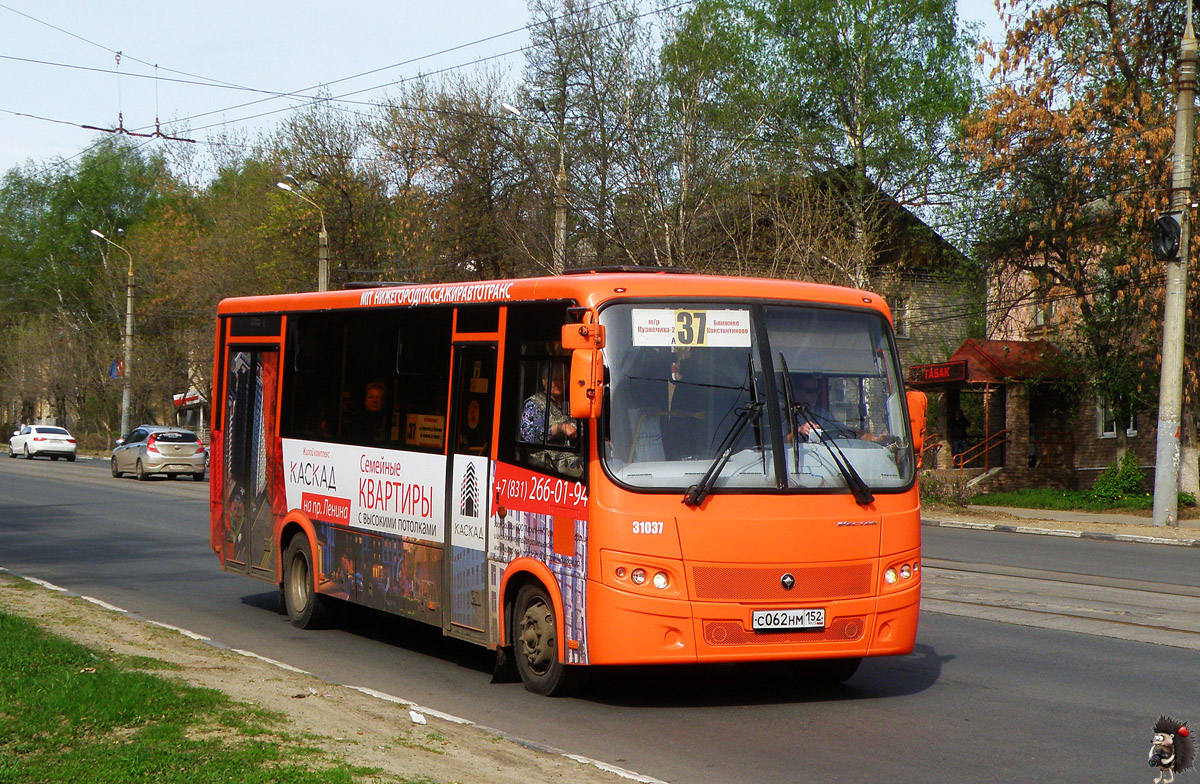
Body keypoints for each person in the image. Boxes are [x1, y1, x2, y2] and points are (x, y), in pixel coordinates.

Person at [519, 364, 581, 476]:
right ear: (544, 381)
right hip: (547, 466)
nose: (558, 383)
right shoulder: (535, 404)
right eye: (554, 379)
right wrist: (560, 428)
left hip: (571, 459)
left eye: (562, 379)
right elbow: (529, 435)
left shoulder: (569, 405)